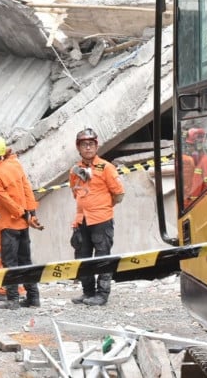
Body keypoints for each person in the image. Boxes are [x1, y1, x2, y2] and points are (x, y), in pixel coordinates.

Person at [0, 134, 43, 310]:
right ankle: (33, 298)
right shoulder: (15, 164)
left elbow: (5, 199)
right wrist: (31, 213)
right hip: (23, 224)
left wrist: (21, 213)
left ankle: (13, 299)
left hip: (9, 225)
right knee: (26, 261)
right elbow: (26, 189)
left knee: (10, 263)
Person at [69, 128, 125, 307]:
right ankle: (88, 292)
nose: (88, 148)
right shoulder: (75, 170)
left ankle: (102, 294)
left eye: (91, 144)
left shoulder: (106, 167)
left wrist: (104, 207)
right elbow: (74, 192)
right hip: (82, 220)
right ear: (78, 147)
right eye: (84, 144)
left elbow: (119, 193)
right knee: (83, 257)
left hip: (101, 219)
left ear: (96, 146)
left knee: (102, 257)